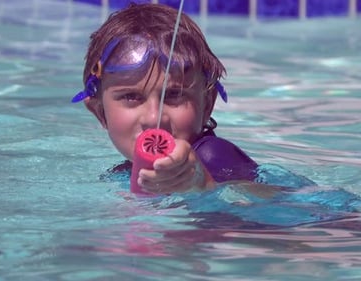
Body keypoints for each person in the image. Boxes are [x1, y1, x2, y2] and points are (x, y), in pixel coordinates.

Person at [72, 3, 259, 195]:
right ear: (99, 112)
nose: (154, 118)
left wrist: (203, 185)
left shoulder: (213, 156)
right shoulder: (121, 172)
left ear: (207, 105)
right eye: (131, 97)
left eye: (174, 95)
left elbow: (270, 207)